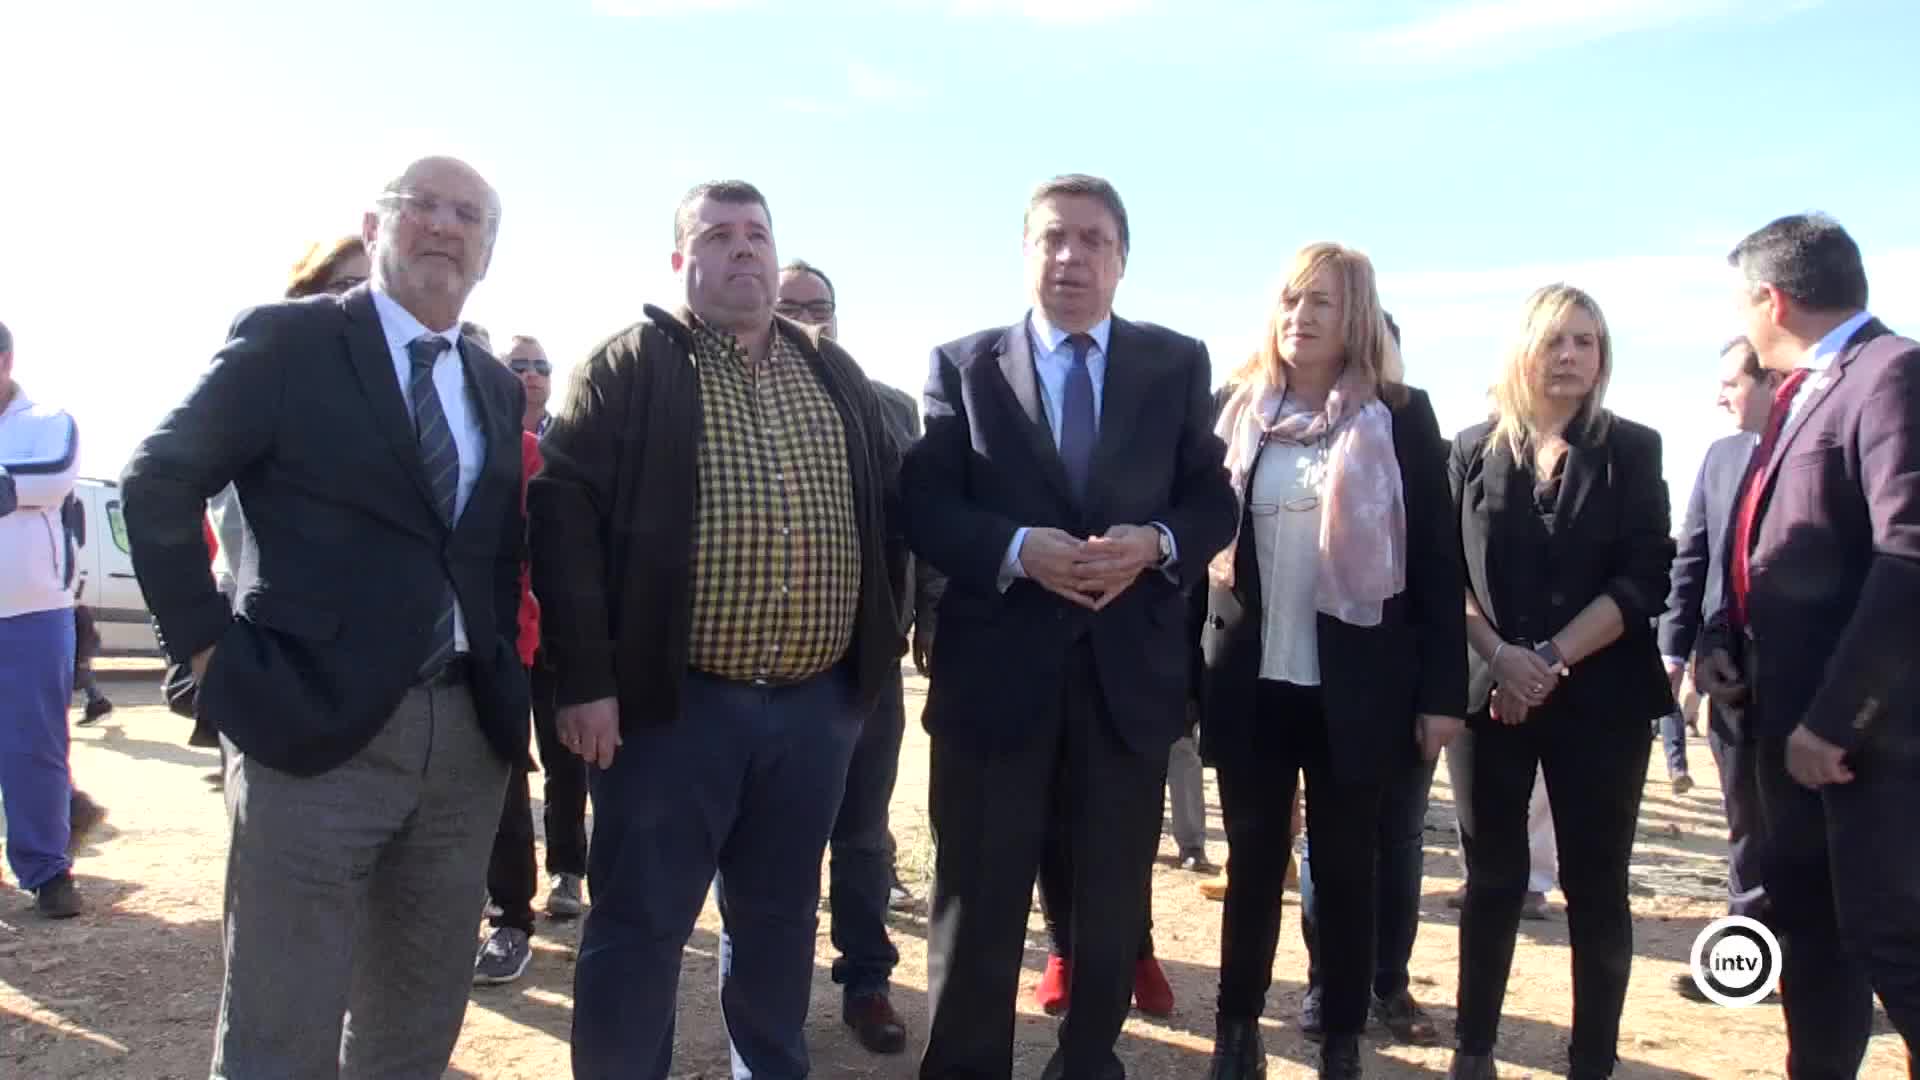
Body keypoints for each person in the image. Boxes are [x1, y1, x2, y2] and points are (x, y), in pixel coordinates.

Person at [121, 156, 529, 1078]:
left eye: (467, 214)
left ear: (487, 253)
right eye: (420, 205)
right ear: (374, 228)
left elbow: (491, 550)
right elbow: (158, 480)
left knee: (416, 1020)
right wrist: (205, 651)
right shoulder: (288, 342)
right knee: (280, 1026)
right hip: (309, 730)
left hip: (464, 740)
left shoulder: (494, 384)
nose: (444, 225)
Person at [529, 181, 903, 1080]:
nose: (743, 249)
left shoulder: (833, 373)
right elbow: (563, 521)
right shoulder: (630, 366)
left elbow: (888, 514)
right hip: (671, 712)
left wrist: (864, 676)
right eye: (718, 235)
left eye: (757, 234)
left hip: (813, 713)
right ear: (680, 261)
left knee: (778, 925)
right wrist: (586, 681)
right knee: (639, 926)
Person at [902, 173, 1237, 1080]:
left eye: (1093, 240)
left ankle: (1089, 1060)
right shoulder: (964, 366)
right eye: (1052, 237)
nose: (1070, 256)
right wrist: (1016, 550)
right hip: (995, 686)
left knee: (1108, 898)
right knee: (978, 897)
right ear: (1025, 252)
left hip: (1124, 685)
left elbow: (1213, 500)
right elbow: (926, 506)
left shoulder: (1175, 364)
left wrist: (1156, 543)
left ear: (1122, 259)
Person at [1198, 244, 1466, 1080]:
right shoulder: (1236, 411)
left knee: (1349, 868)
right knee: (1252, 863)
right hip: (1250, 683)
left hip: (1357, 689)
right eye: (1289, 299)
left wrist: (1443, 695)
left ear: (1356, 316)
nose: (1300, 316)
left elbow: (1437, 565)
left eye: (1321, 301)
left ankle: (1342, 1037)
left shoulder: (1400, 417)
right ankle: (1237, 1031)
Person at [1699, 213, 1920, 1074]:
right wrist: (1725, 634)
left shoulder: (1890, 374)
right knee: (1813, 942)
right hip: (1784, 733)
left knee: (1892, 945)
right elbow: (1780, 543)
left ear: (1772, 298)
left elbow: (1909, 559)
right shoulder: (1806, 392)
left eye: (1740, 301)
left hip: (1866, 750)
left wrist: (1836, 720)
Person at [1447, 284, 1675, 1080]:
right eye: (1555, 340)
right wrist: (1501, 657)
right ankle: (1473, 1049)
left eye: (1586, 341)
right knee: (1492, 879)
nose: (1571, 355)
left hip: (1603, 700)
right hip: (1490, 696)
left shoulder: (1633, 449)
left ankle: (1592, 1060)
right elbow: (1444, 573)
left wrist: (1545, 659)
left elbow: (1645, 577)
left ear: (1602, 357)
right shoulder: (1472, 449)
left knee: (1596, 883)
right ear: (1524, 352)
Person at [770, 258, 927, 1055]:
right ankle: (773, 995)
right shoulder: (726, 400)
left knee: (863, 832)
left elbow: (918, 524)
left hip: (864, 662)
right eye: (790, 305)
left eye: (818, 305)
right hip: (769, 666)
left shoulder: (888, 405)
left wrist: (927, 617)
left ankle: (867, 981)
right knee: (777, 837)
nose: (807, 318)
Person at [1290, 309, 1458, 1051]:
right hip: (1312, 675)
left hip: (1400, 681)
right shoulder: (1289, 427)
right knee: (1325, 844)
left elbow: (1439, 572)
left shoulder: (1412, 426)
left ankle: (1389, 981)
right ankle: (1327, 980)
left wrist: (1441, 695)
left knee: (1399, 836)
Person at [1658, 336, 1777, 1004]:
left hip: (1810, 675)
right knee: (1744, 825)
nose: (1720, 395)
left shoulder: (1821, 449)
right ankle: (1747, 968)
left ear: (1770, 379)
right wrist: (1677, 652)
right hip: (1729, 668)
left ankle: (1829, 973)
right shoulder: (1721, 457)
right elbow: (1693, 559)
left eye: (1732, 382)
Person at [0, 316, 93, 919]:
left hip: (30, 614)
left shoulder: (47, 424)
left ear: (4, 362)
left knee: (33, 747)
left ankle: (46, 870)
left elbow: (52, 477)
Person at [474, 408, 561, 986]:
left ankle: (511, 918)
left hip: (500, 647)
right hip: (394, 651)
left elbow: (536, 553)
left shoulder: (520, 449)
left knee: (501, 782)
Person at [501, 335, 555, 436]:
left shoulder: (572, 436)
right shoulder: (482, 432)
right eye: (520, 365)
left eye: (542, 366)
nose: (533, 373)